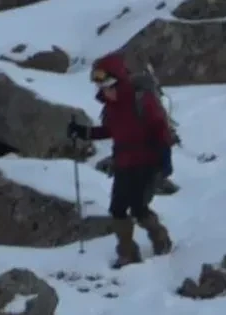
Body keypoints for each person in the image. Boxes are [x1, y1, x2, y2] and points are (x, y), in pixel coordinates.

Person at [67, 53, 176, 269]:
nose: (104, 91)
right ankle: (127, 253)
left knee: (139, 208)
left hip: (147, 162)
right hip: (124, 164)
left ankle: (161, 240)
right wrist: (84, 132)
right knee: (117, 209)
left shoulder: (142, 100)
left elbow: (160, 129)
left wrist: (165, 158)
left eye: (107, 86)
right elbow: (110, 130)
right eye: (101, 87)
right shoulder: (112, 105)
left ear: (117, 81)